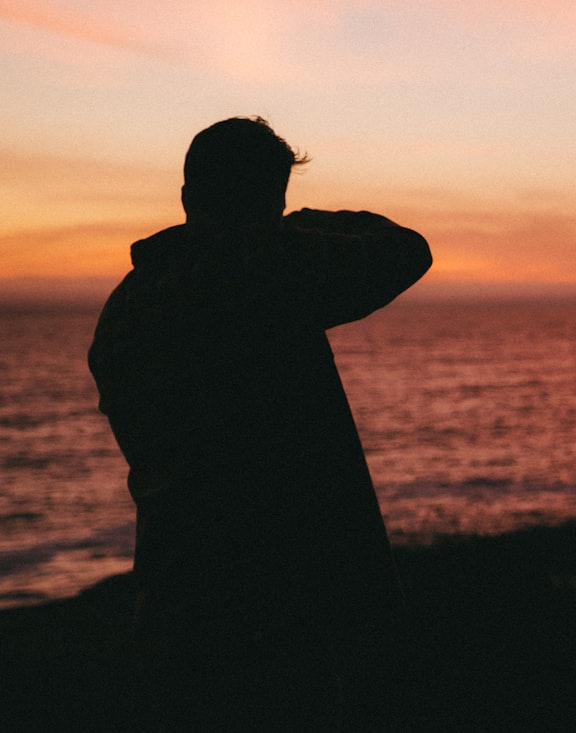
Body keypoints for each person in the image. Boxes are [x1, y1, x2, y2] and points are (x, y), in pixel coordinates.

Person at [89, 117, 432, 730]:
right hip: (288, 606)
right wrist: (297, 223)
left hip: (174, 598)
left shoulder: (125, 307)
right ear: (270, 201)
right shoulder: (266, 266)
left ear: (189, 196)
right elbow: (405, 249)